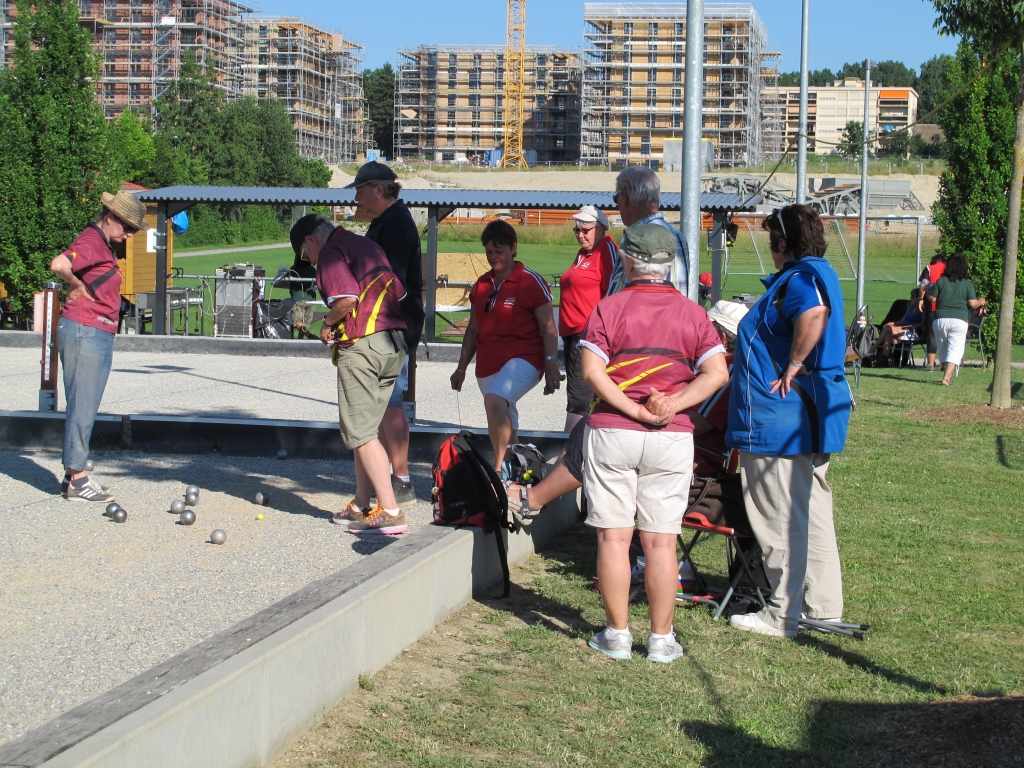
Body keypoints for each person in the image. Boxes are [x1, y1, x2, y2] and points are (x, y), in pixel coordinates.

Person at [580, 224, 729, 664]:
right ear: (669, 265)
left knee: (613, 537)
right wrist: (672, 405)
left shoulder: (609, 308)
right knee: (661, 541)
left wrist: (632, 409)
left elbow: (592, 371)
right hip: (672, 437)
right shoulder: (693, 313)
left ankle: (617, 634)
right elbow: (717, 372)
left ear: (627, 260)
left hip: (613, 432)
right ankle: (662, 639)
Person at [725, 204, 852, 639]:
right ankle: (823, 608)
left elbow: (813, 314)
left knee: (778, 515)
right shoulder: (820, 273)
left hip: (780, 422)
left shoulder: (800, 279)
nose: (770, 248)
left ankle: (782, 614)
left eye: (771, 240)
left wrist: (794, 363)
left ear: (784, 242)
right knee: (811, 513)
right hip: (809, 416)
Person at [505, 299, 748, 518]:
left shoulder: (726, 371)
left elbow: (701, 423)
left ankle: (535, 499)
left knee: (603, 429)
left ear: (722, 339)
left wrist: (647, 414)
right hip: (677, 448)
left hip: (693, 460)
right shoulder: (716, 368)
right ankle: (544, 493)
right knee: (596, 424)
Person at [289, 214, 410, 535]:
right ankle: (361, 504)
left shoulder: (332, 252)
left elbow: (346, 299)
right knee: (367, 430)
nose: (310, 261)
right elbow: (400, 294)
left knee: (360, 432)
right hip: (393, 345)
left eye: (305, 255)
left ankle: (391, 511)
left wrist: (327, 324)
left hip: (363, 346)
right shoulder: (367, 246)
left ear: (312, 241)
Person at [51, 190, 147, 502]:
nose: (130, 234)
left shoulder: (103, 244)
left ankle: (73, 475)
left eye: (133, 229)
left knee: (85, 405)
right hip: (84, 330)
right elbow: (58, 264)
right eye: (128, 227)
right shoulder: (91, 241)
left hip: (95, 331)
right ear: (110, 217)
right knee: (82, 405)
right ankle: (78, 479)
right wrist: (77, 286)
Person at [450, 220, 560, 473]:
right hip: (488, 361)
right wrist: (461, 369)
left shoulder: (531, 281)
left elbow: (549, 328)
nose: (493, 257)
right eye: (489, 251)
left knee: (496, 400)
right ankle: (520, 469)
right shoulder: (481, 285)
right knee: (500, 413)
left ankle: (498, 471)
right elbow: (473, 330)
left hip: (525, 357)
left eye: (499, 251)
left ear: (513, 248)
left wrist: (552, 363)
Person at [348, 161, 426, 504]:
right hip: (390, 324)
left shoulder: (395, 223)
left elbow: (387, 279)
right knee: (385, 405)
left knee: (391, 404)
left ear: (379, 190)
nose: (357, 199)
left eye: (361, 191)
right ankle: (395, 478)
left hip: (392, 325)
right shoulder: (387, 220)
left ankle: (402, 479)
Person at [558, 205, 619, 431]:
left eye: (585, 229)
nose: (580, 234)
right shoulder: (585, 252)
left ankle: (571, 449)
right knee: (577, 390)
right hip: (573, 332)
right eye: (577, 230)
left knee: (580, 395)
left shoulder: (606, 250)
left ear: (601, 229)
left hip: (588, 333)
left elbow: (613, 293)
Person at [613, 165, 689, 293]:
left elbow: (631, 296)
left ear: (625, 197)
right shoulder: (677, 235)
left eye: (616, 199)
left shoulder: (636, 237)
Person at [926, 252, 986, 386]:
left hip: (940, 319)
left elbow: (933, 299)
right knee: (955, 349)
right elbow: (972, 304)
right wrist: (981, 301)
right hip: (959, 319)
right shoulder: (967, 284)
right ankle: (946, 378)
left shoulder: (941, 281)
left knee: (942, 349)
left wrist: (928, 291)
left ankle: (947, 373)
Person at [870, 288, 924, 361]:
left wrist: (908, 327)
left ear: (918, 298)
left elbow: (923, 324)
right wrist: (891, 323)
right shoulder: (911, 308)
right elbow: (901, 322)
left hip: (913, 332)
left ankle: (872, 349)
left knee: (887, 328)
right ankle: (884, 359)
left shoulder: (923, 310)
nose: (910, 298)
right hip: (902, 330)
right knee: (888, 334)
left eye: (912, 296)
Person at [920, 253, 947, 371]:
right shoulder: (949, 268)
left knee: (932, 334)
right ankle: (945, 364)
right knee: (946, 334)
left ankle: (930, 364)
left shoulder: (929, 269)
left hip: (932, 306)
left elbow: (923, 285)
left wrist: (921, 299)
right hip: (946, 306)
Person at [287, 250, 318, 340]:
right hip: (311, 298)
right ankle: (300, 340)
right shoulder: (312, 269)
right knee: (305, 323)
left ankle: (310, 336)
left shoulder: (293, 269)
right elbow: (316, 281)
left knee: (298, 322)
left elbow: (282, 282)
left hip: (297, 298)